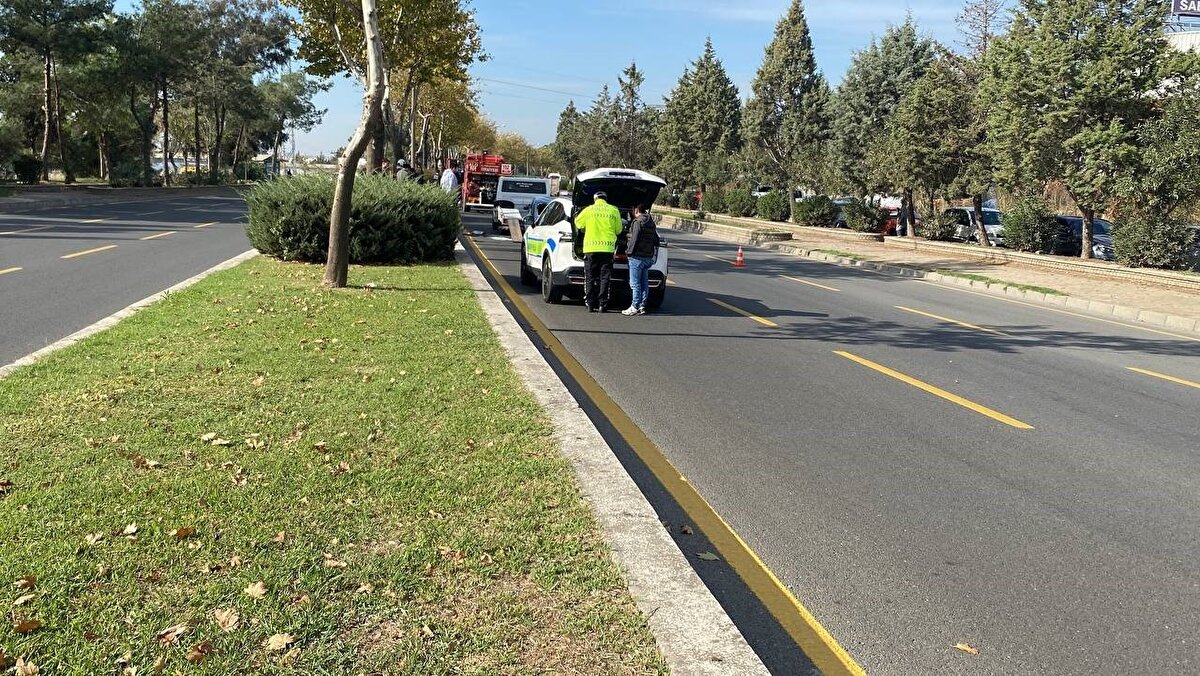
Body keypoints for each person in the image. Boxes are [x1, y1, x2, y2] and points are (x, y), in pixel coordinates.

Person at [575, 190, 623, 313]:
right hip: (607, 249)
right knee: (604, 277)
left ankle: (590, 304)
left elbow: (578, 224)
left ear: (595, 199)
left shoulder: (588, 210)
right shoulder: (614, 210)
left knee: (590, 277)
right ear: (606, 199)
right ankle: (602, 305)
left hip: (590, 249)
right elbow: (618, 230)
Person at [622, 204, 659, 316]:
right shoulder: (651, 223)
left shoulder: (638, 222)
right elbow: (656, 240)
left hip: (636, 257)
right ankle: (642, 305)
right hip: (647, 257)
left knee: (635, 283)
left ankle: (634, 306)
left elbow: (634, 238)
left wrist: (629, 252)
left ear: (636, 210)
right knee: (644, 283)